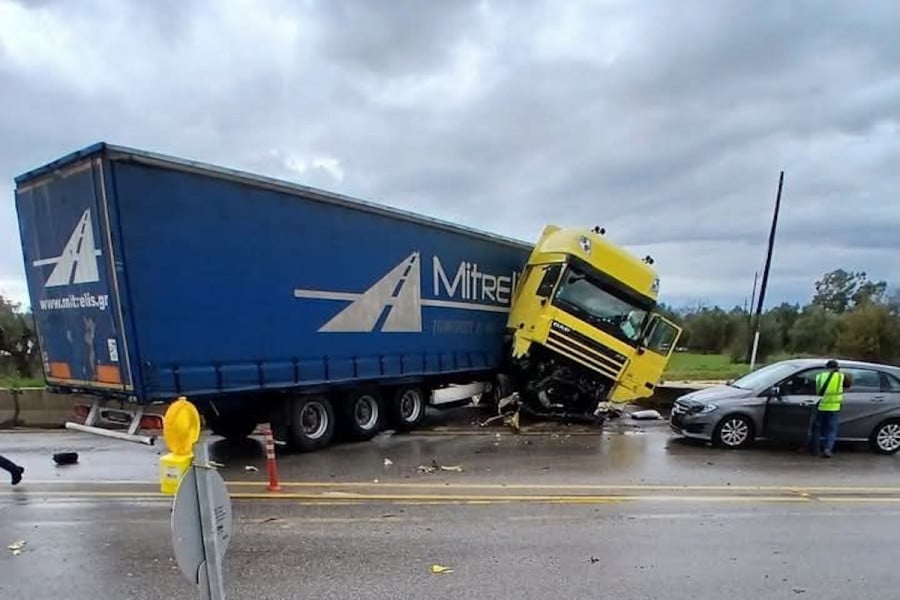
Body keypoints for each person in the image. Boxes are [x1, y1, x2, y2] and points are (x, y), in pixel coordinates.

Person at [809, 359, 847, 458]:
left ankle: (815, 449)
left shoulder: (819, 377)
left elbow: (817, 391)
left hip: (821, 406)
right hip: (834, 407)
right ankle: (827, 449)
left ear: (826, 368)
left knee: (817, 428)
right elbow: (848, 384)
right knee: (831, 430)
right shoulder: (841, 377)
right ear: (837, 368)